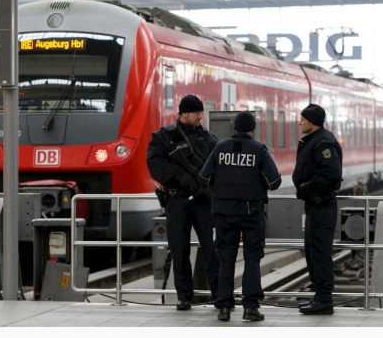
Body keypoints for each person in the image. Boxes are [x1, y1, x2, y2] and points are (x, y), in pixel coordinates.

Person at [199, 111, 281, 322]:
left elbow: (203, 177)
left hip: (223, 213)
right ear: (253, 130)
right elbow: (274, 182)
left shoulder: (220, 148)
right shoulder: (259, 150)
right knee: (253, 259)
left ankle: (224, 307)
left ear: (234, 128)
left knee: (226, 259)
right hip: (251, 213)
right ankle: (250, 308)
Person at [146, 94, 219, 311]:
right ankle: (184, 296)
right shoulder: (163, 137)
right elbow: (154, 163)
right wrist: (179, 176)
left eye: (201, 112)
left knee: (212, 248)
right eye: (196, 112)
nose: (200, 116)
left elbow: (217, 166)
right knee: (179, 249)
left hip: (203, 200)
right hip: (177, 199)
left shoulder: (209, 139)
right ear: (184, 113)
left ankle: (219, 295)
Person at [292, 103, 343, 315]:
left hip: (322, 204)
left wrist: (307, 187)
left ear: (312, 122)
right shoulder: (314, 140)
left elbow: (332, 173)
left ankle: (324, 299)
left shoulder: (323, 142)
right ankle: (319, 297)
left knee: (320, 253)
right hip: (314, 205)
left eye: (303, 119)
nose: (299, 122)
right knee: (313, 251)